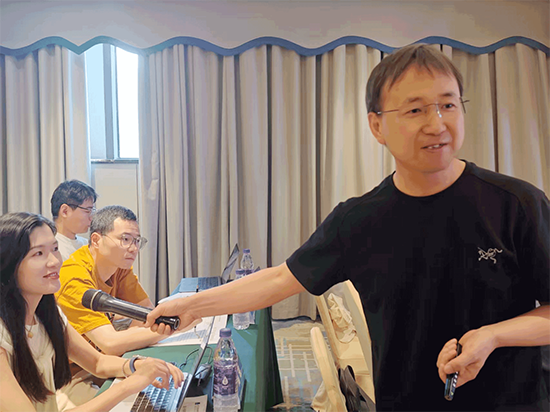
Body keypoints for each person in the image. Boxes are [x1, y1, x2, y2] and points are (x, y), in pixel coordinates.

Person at [144, 44, 550, 411]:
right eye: (415, 110)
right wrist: (191, 305)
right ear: (377, 126)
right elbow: (282, 279)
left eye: (448, 104)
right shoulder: (360, 220)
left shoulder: (516, 204)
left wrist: (494, 336)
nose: (437, 123)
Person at [0, 212, 184, 412]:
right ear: (8, 264)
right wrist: (127, 386)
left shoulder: (47, 314)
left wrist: (137, 365)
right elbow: (109, 346)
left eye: (55, 249)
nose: (54, 261)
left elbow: (97, 362)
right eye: (38, 253)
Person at [55, 205, 169, 357]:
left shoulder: (120, 267)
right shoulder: (73, 277)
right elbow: (110, 344)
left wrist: (127, 343)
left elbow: (146, 313)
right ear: (96, 240)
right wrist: (175, 327)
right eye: (125, 239)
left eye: (136, 241)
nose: (134, 249)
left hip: (106, 360)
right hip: (76, 367)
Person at [50, 180, 98, 261]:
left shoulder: (86, 244)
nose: (91, 217)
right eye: (87, 210)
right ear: (65, 211)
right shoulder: (51, 248)